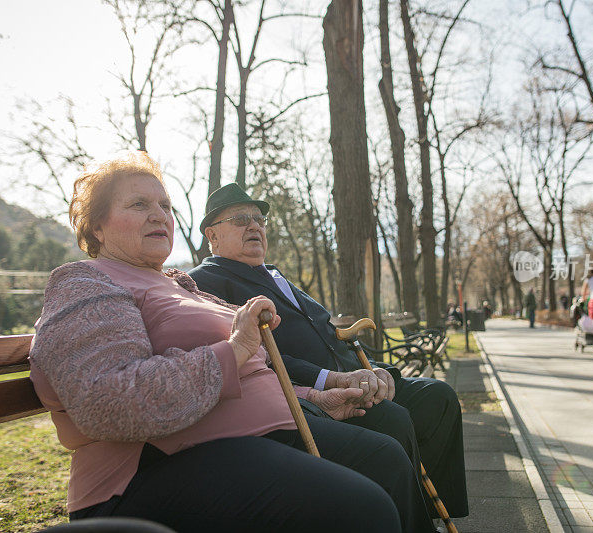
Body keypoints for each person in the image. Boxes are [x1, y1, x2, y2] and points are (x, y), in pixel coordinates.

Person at [28, 152, 435, 533]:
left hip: (248, 440)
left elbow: (244, 375)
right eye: (139, 205)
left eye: (166, 206)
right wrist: (235, 348)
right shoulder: (86, 282)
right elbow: (107, 402)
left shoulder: (179, 286)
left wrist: (315, 396)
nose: (159, 215)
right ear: (96, 226)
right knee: (363, 508)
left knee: (386, 460)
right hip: (149, 473)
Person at [188, 183, 469, 521]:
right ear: (212, 236)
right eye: (240, 219)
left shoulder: (275, 275)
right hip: (315, 395)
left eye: (260, 219)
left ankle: (424, 511)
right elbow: (258, 355)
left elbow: (330, 333)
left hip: (355, 371)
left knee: (438, 397)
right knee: (393, 419)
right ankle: (411, 523)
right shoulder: (207, 282)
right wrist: (328, 380)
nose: (254, 226)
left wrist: (377, 370)